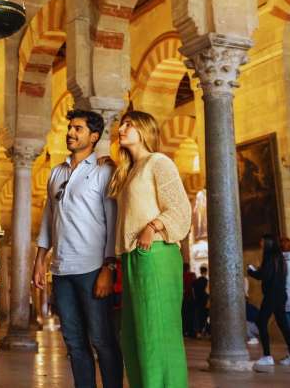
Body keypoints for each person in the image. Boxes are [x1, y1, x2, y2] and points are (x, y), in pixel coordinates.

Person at [32, 109, 122, 388]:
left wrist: (108, 267)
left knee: (101, 339)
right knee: (73, 341)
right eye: (70, 128)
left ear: (94, 137)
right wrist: (40, 260)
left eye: (78, 129)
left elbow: (113, 222)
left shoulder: (104, 171)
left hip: (93, 268)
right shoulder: (57, 172)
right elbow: (49, 218)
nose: (70, 133)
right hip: (61, 270)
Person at [107, 110, 191, 388]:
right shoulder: (128, 170)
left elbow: (179, 208)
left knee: (157, 334)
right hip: (134, 258)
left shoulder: (159, 162)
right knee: (135, 337)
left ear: (144, 129)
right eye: (122, 124)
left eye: (129, 124)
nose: (122, 129)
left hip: (155, 253)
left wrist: (153, 226)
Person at [248, 234, 290, 367]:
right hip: (281, 294)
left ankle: (267, 356)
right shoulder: (280, 258)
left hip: (272, 295)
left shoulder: (270, 258)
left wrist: (251, 271)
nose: (260, 244)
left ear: (268, 243)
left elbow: (264, 276)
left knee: (261, 322)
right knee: (283, 324)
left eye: (262, 241)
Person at [192, 266, 209, 338]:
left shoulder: (196, 281)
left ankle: (198, 333)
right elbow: (207, 292)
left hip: (197, 301)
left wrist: (195, 298)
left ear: (200, 271)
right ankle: (204, 332)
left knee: (197, 316)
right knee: (205, 316)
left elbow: (193, 291)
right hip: (204, 301)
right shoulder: (206, 281)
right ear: (206, 272)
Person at [182, 264, 197, 338]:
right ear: (188, 268)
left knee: (184, 315)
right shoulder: (192, 275)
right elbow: (195, 286)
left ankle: (184, 331)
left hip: (183, 299)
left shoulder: (180, 275)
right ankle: (192, 331)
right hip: (191, 298)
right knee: (192, 315)